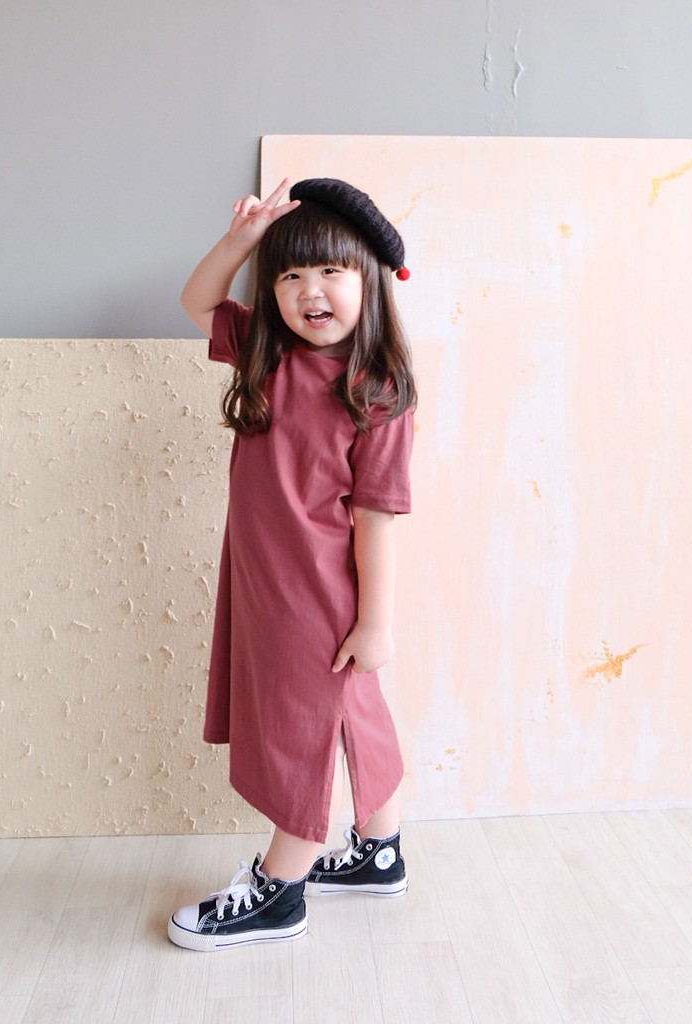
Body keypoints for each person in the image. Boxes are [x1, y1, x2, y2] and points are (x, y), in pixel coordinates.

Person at [167, 177, 417, 952]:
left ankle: (282, 888)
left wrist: (374, 622)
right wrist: (241, 240)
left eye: (330, 271)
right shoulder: (266, 354)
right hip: (266, 584)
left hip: (320, 595)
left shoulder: (375, 391)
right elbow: (196, 300)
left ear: (368, 281)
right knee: (352, 714)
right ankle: (379, 852)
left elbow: (376, 516)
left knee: (300, 730)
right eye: (289, 274)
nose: (310, 291)